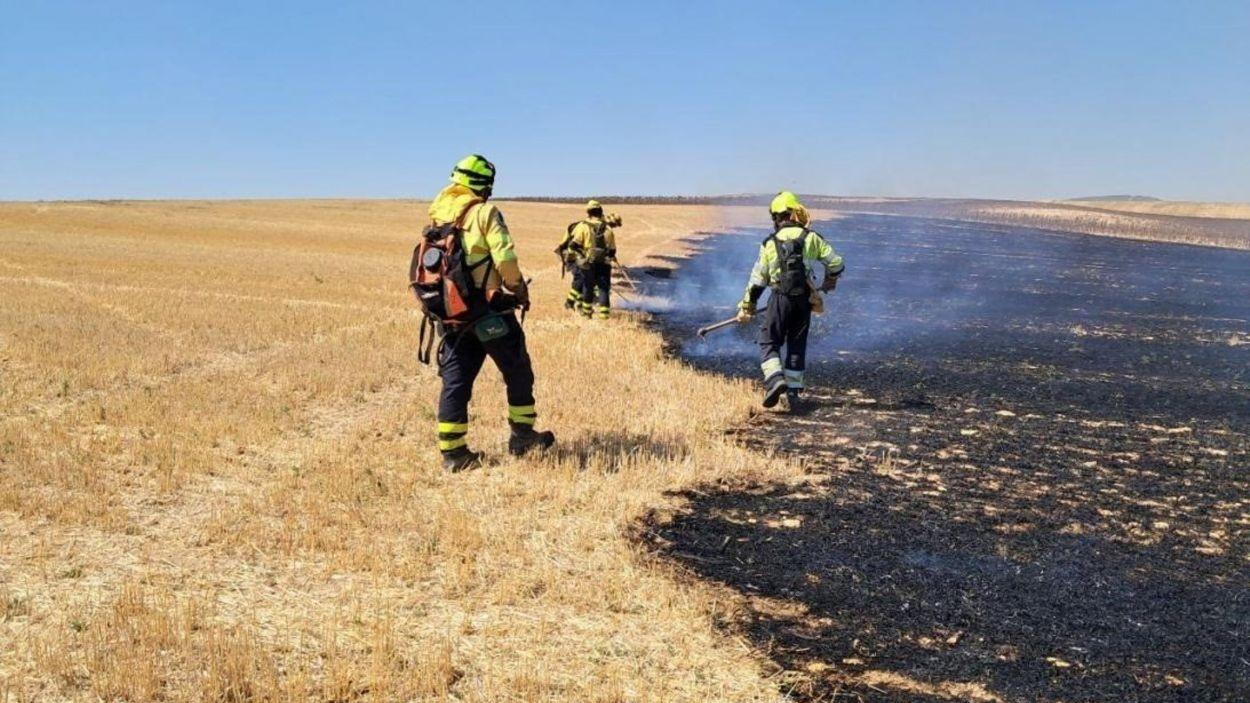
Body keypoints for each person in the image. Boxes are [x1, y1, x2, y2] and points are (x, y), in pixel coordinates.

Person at [424, 154, 555, 471]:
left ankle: (453, 454)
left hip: (452, 313)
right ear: (483, 185)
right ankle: (522, 437)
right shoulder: (484, 212)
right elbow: (505, 258)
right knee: (518, 370)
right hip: (487, 312)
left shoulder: (438, 213)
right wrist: (519, 289)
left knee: (456, 381)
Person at [737, 191, 844, 409]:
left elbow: (758, 281)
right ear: (795, 213)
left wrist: (747, 307)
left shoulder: (769, 243)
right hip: (804, 301)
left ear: (776, 218)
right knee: (797, 345)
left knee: (768, 341)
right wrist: (830, 280)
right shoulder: (811, 237)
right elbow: (837, 264)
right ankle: (793, 394)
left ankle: (775, 380)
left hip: (780, 299)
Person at [569, 200, 617, 319]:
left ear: (588, 212)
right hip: (604, 264)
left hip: (588, 264)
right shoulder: (608, 229)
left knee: (588, 288)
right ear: (601, 212)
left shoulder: (583, 226)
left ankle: (586, 313)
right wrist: (609, 257)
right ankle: (604, 317)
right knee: (603, 289)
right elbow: (612, 250)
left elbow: (573, 245)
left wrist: (583, 256)